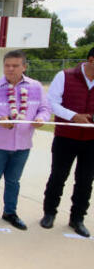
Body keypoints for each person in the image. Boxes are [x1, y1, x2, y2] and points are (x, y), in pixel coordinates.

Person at [0, 50, 50, 230]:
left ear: (24, 66)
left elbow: (44, 109)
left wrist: (41, 119)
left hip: (23, 144)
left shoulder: (36, 87)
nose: (10, 69)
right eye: (7, 65)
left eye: (15, 65)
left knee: (13, 181)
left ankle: (10, 212)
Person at [40, 47, 94, 237]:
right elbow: (52, 103)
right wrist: (73, 116)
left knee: (86, 181)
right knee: (58, 176)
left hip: (91, 140)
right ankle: (49, 213)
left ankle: (77, 218)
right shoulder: (64, 76)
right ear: (91, 59)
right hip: (66, 136)